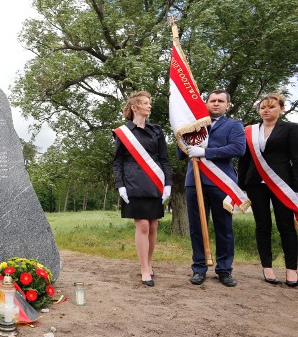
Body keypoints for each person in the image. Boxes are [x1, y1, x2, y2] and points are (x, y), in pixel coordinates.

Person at [179, 89, 245, 287]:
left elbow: (238, 149)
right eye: (212, 100)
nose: (216, 103)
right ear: (206, 103)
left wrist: (205, 152)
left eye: (220, 101)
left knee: (224, 228)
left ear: (227, 105)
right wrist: (182, 135)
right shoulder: (195, 125)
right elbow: (181, 155)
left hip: (221, 183)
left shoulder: (234, 125)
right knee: (197, 227)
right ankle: (199, 268)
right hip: (195, 182)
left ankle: (224, 270)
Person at [113, 91, 173, 287]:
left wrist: (168, 183)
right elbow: (118, 161)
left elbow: (164, 159)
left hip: (155, 182)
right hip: (133, 183)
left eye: (149, 103)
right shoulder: (123, 132)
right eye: (145, 103)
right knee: (143, 225)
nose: (149, 106)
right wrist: (120, 185)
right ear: (134, 107)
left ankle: (149, 262)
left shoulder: (157, 131)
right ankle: (144, 268)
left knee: (153, 225)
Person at [238, 93, 298, 287]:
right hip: (255, 184)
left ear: (281, 108)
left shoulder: (290, 128)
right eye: (263, 107)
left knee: (286, 227)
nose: (266, 110)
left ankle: (291, 269)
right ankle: (267, 267)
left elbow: (296, 159)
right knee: (262, 226)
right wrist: (241, 185)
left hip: (282, 184)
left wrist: (296, 186)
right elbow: (244, 160)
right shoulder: (250, 131)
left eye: (271, 107)